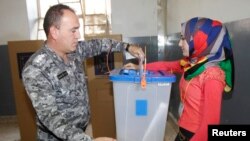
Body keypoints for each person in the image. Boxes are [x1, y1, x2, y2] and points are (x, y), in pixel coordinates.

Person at [22, 4, 144, 141]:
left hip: (80, 131)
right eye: (73, 30)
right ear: (54, 32)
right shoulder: (35, 69)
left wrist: (127, 47)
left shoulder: (75, 51)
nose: (78, 35)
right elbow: (51, 117)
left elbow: (99, 44)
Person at [124, 17, 234, 141]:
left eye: (183, 38)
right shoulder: (193, 64)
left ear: (200, 39)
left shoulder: (213, 76)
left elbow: (210, 126)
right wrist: (139, 67)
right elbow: (166, 66)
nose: (179, 44)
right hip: (182, 133)